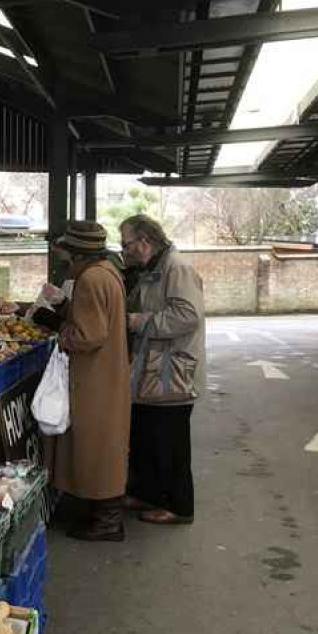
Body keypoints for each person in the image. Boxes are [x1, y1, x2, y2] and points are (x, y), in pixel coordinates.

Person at [42, 221, 131, 542]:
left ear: (76, 251)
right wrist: (66, 308)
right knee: (103, 443)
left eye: (65, 248)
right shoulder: (108, 271)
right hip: (107, 373)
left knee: (96, 446)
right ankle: (100, 512)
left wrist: (60, 332)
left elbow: (89, 335)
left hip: (94, 376)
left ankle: (108, 521)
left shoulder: (90, 279)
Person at [121, 214, 206, 525]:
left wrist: (138, 321)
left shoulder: (177, 268)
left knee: (170, 442)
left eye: (127, 243)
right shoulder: (152, 269)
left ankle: (179, 506)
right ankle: (147, 493)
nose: (124, 250)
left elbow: (187, 315)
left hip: (172, 369)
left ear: (145, 241)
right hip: (151, 369)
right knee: (146, 436)